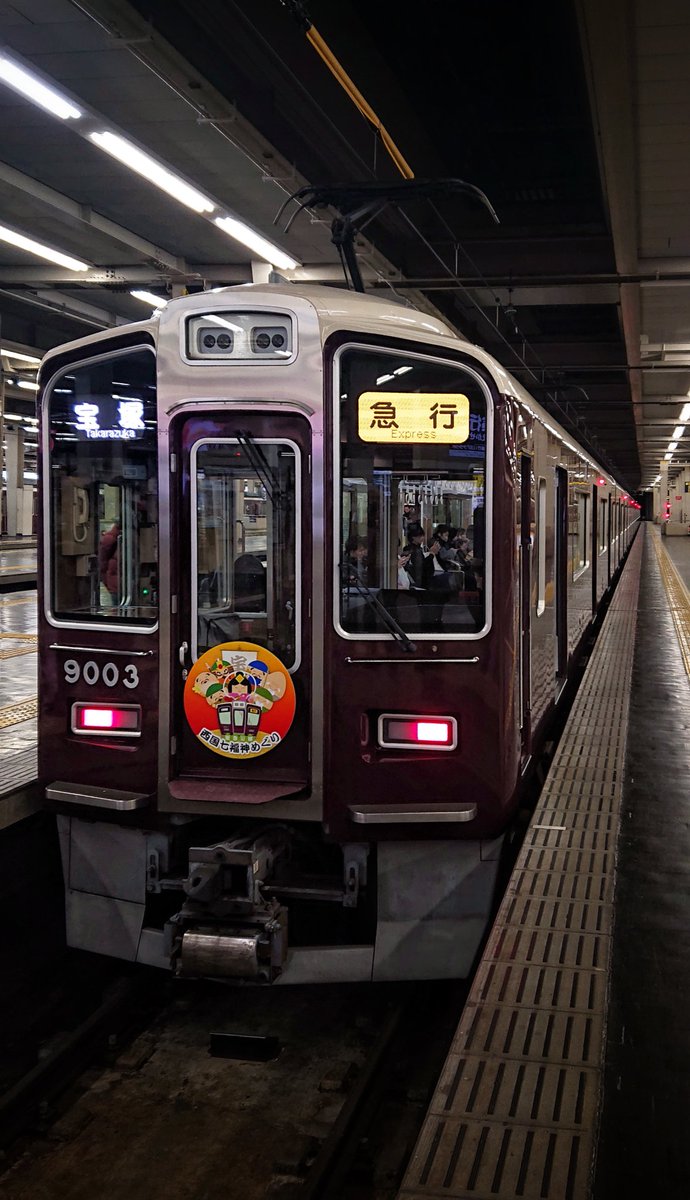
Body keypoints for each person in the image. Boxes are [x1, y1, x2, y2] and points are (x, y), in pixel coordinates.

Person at [99, 520, 120, 604]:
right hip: (117, 585)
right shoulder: (111, 538)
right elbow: (103, 563)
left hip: (116, 585)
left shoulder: (111, 537)